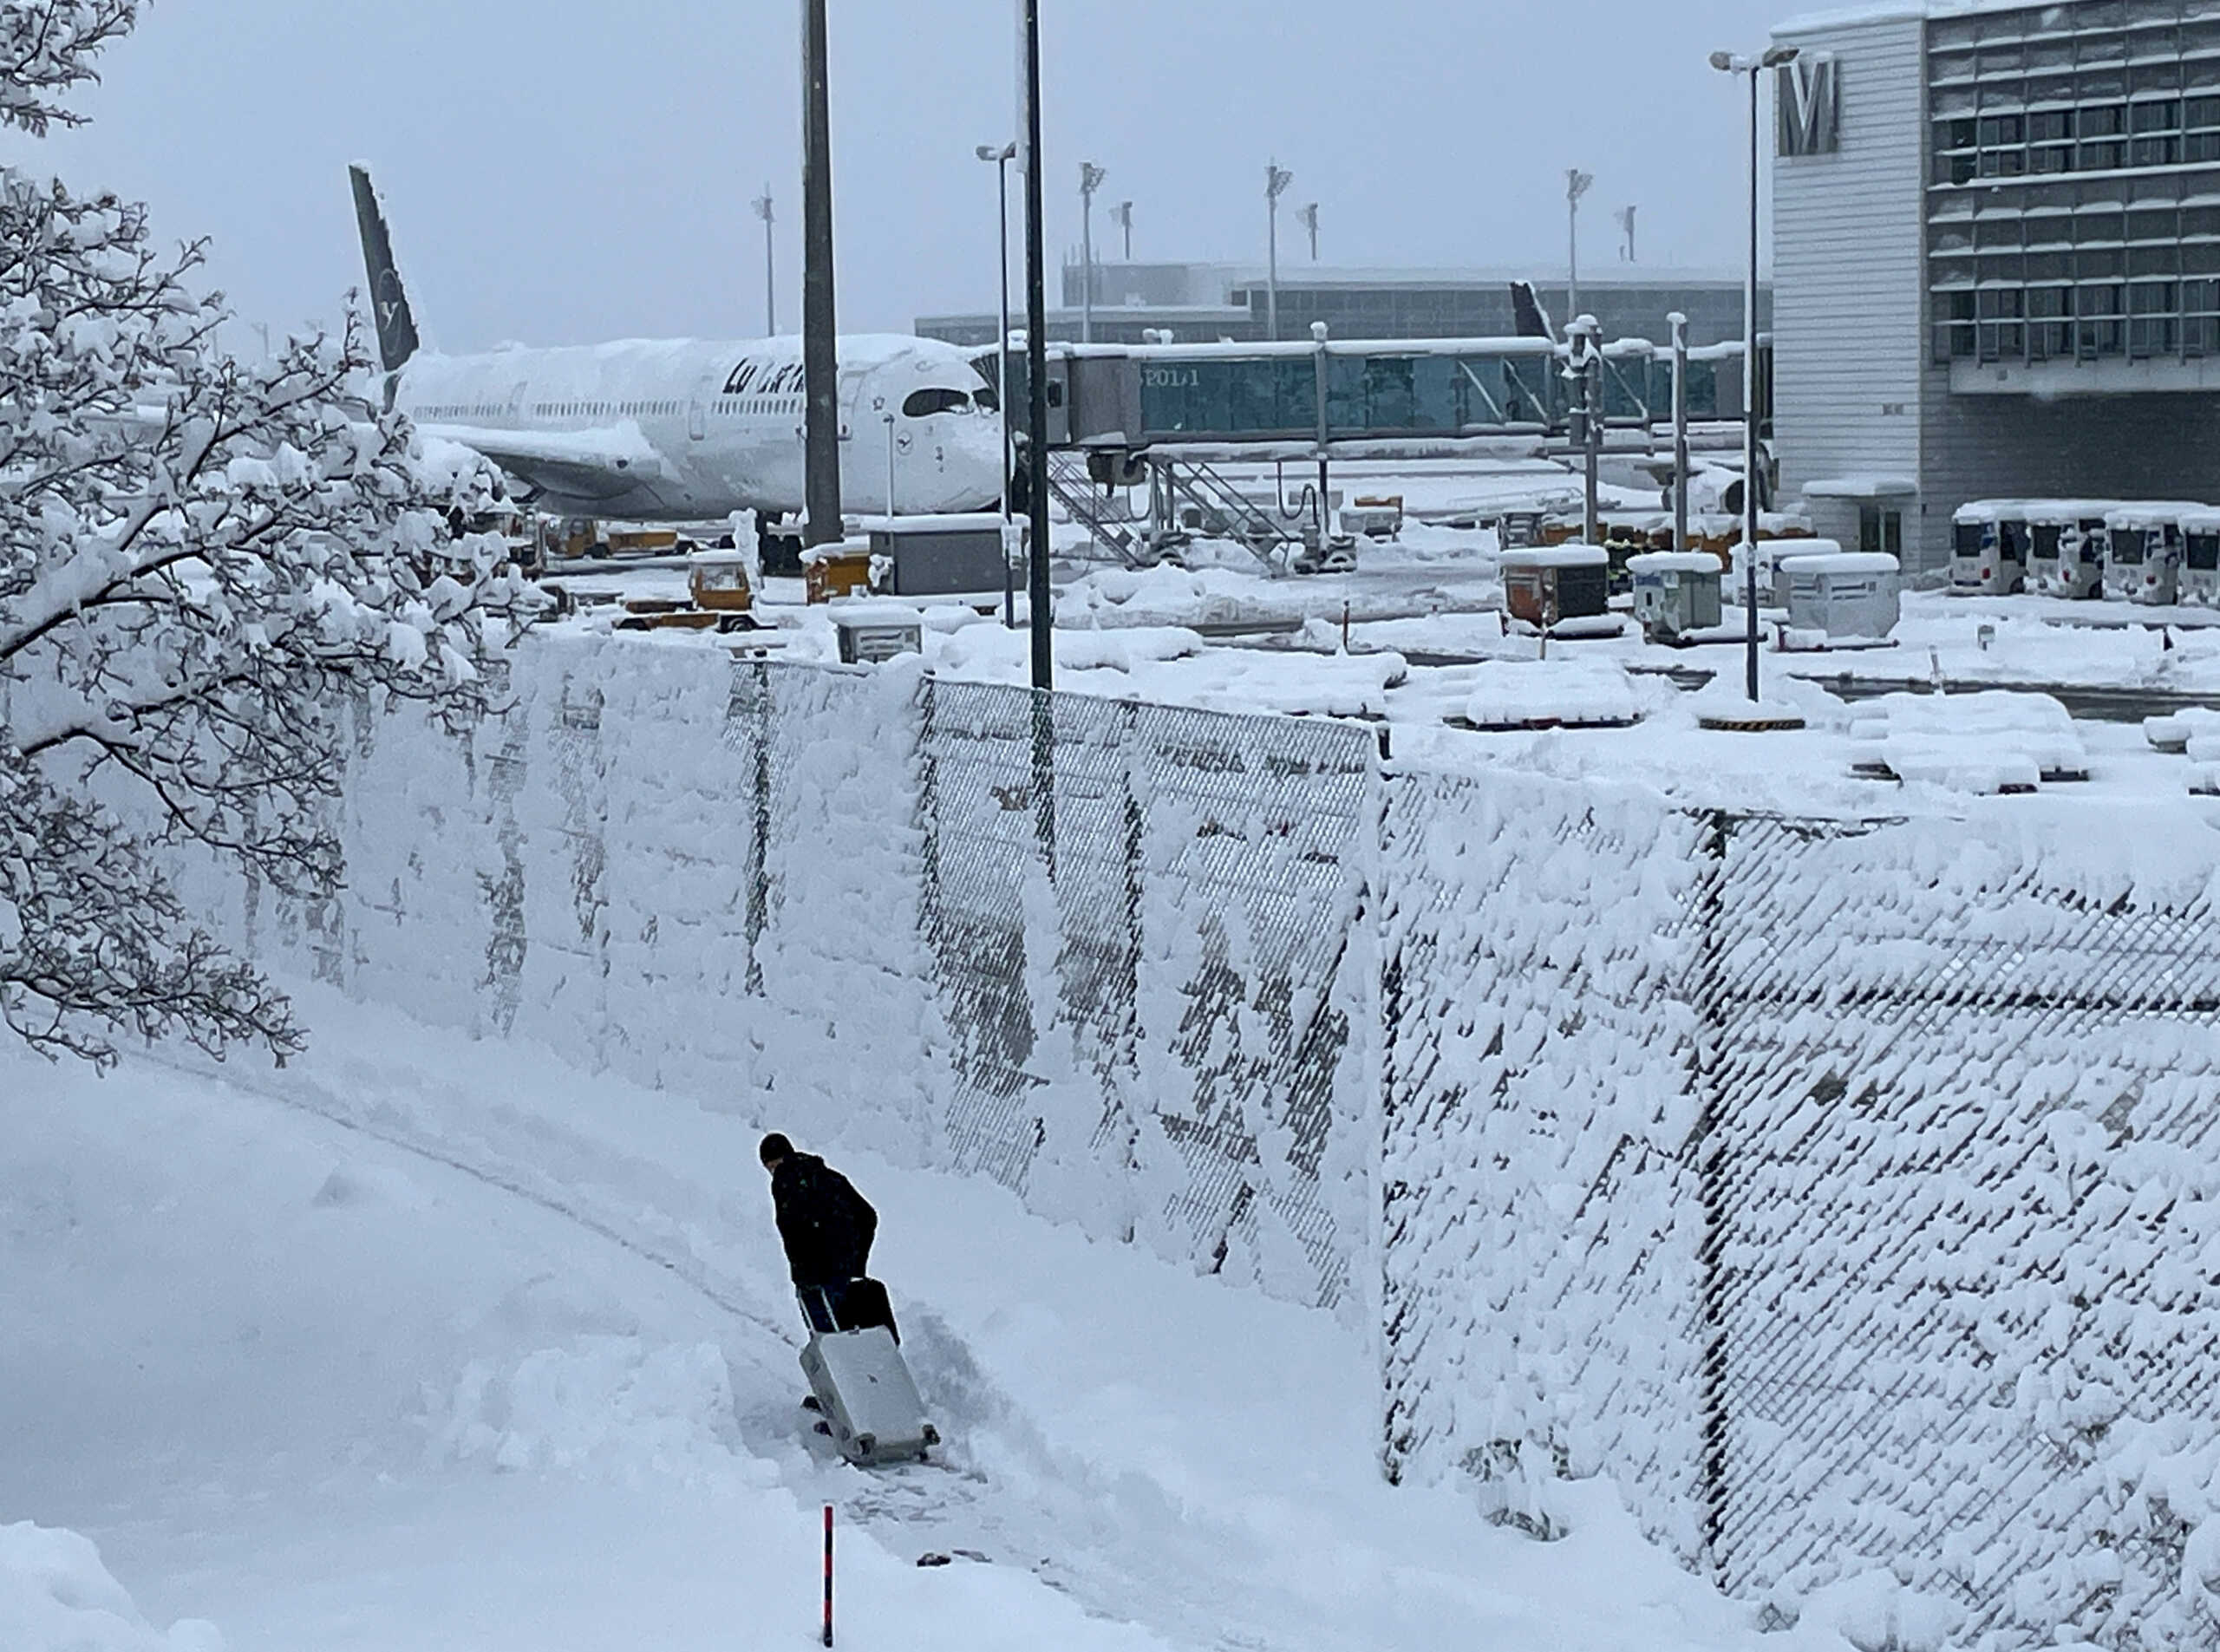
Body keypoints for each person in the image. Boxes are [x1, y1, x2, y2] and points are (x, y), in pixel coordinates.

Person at [759, 1133, 885, 1336]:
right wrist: (856, 1262)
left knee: (828, 1339)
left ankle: (840, 1367)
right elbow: (867, 1216)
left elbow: (794, 1231)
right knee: (853, 1333)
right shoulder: (830, 1176)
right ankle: (869, 1367)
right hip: (844, 1270)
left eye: (772, 1166)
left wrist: (805, 1271)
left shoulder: (785, 1181)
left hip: (815, 1278)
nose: (774, 1172)